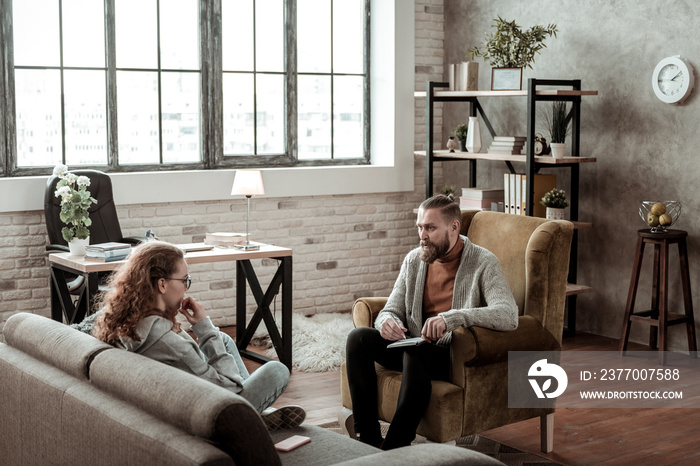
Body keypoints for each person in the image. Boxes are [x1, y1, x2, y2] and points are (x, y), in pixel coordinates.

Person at [345, 194, 519, 450]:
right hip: (411, 346)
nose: (422, 235)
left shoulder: (483, 262)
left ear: (454, 227)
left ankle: (395, 446)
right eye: (420, 227)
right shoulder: (414, 259)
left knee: (416, 352)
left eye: (430, 228)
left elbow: (509, 314)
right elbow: (390, 308)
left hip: (447, 354)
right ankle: (368, 438)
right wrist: (387, 321)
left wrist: (454, 318)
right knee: (357, 338)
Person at [93, 240, 305, 430]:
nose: (186, 288)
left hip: (177, 398)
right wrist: (203, 326)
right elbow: (231, 387)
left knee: (222, 340)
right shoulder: (169, 344)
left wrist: (208, 334)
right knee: (277, 370)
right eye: (185, 280)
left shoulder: (123, 321)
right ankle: (253, 415)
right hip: (212, 415)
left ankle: (258, 412)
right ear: (162, 284)